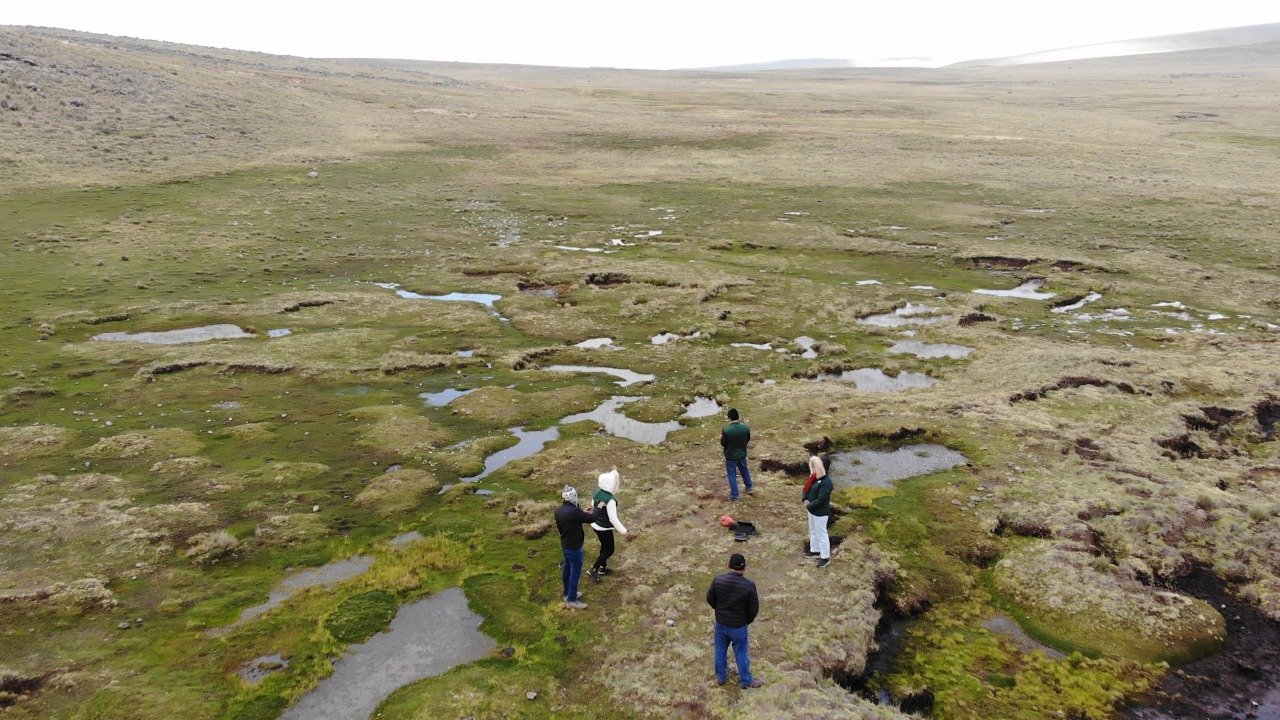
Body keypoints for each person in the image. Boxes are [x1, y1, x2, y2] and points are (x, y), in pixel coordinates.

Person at [706, 552, 762, 689]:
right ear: (744, 568)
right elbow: (754, 609)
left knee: (720, 650)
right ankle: (746, 681)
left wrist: (718, 611)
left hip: (721, 624)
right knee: (741, 653)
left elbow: (710, 598)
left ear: (729, 565)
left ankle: (721, 677)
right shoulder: (749, 585)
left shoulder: (718, 580)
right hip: (739, 626)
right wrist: (745, 621)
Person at [554, 485, 599, 609]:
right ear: (574, 497)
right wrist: (598, 508)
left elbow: (573, 518)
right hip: (574, 547)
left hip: (565, 545)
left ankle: (567, 594)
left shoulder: (559, 511)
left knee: (567, 569)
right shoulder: (574, 512)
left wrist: (581, 513)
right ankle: (572, 601)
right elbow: (593, 518)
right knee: (575, 572)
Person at [588, 468, 631, 581]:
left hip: (595, 524)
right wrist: (624, 531)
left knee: (604, 546)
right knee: (609, 549)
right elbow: (613, 519)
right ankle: (594, 568)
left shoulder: (597, 492)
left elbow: (593, 504)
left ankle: (603, 567)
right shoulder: (610, 500)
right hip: (604, 528)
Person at [803, 454, 833, 568]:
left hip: (820, 513)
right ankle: (814, 550)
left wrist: (809, 506)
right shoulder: (814, 477)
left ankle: (825, 557)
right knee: (813, 530)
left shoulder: (826, 482)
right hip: (812, 510)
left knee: (821, 534)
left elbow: (822, 499)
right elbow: (806, 488)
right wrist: (804, 498)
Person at [720, 408, 754, 501]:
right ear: (738, 417)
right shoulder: (745, 428)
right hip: (742, 454)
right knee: (745, 470)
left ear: (729, 418)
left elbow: (723, 443)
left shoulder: (726, 430)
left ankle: (735, 496)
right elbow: (747, 439)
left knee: (732, 475)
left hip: (730, 456)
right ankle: (749, 487)